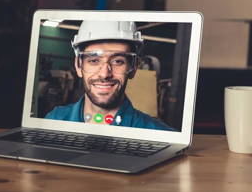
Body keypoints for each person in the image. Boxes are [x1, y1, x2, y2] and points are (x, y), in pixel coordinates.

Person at [45, 20, 174, 131]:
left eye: (118, 61)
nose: (104, 74)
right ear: (79, 66)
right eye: (94, 61)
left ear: (133, 67)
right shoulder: (55, 121)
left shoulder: (158, 135)